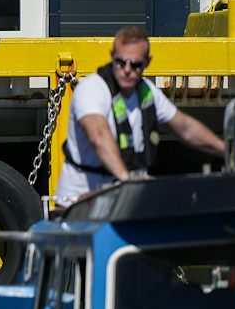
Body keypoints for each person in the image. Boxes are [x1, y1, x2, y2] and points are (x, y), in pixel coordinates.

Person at [56, 25, 226, 204]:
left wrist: (227, 150)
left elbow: (186, 128)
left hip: (125, 198)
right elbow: (98, 135)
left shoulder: (147, 93)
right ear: (112, 56)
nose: (127, 69)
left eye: (136, 65)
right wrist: (128, 181)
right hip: (79, 200)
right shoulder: (92, 89)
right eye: (121, 62)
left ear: (147, 62)